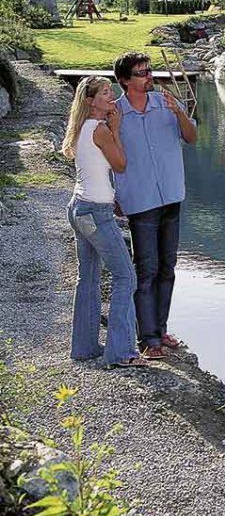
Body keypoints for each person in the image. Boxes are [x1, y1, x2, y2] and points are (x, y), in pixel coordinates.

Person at [112, 52, 197, 359]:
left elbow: (192, 137)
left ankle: (160, 330)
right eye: (141, 72)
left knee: (167, 268)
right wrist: (115, 196)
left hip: (172, 195)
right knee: (145, 269)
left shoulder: (166, 104)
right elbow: (111, 159)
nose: (149, 76)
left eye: (149, 70)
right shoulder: (115, 114)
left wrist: (180, 113)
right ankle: (148, 339)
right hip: (141, 201)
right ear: (124, 79)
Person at [61, 77, 148, 368]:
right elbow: (121, 164)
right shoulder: (100, 130)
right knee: (126, 277)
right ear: (90, 100)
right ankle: (122, 353)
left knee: (88, 277)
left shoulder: (81, 129)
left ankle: (84, 347)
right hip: (96, 214)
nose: (113, 95)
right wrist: (117, 129)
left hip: (78, 209)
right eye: (106, 92)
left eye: (112, 90)